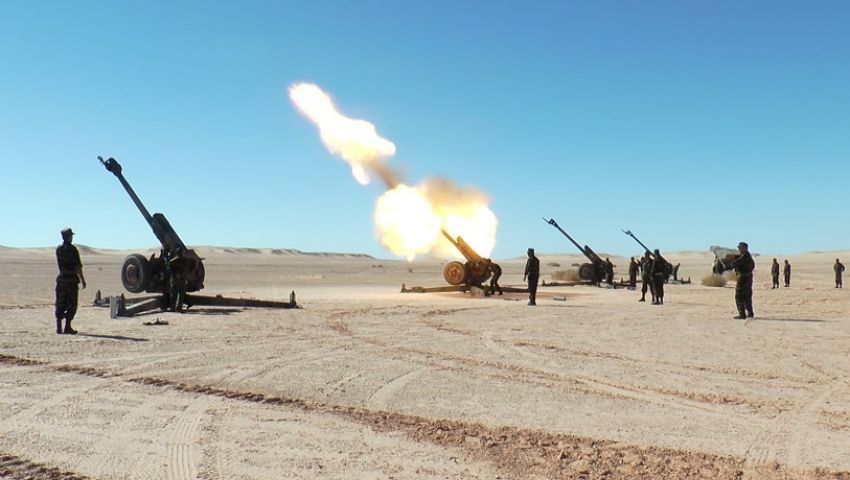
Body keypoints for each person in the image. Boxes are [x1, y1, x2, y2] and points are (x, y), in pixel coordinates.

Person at [55, 228, 86, 334]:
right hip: (71, 280)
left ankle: (59, 327)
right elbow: (77, 266)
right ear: (68, 237)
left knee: (60, 303)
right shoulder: (72, 250)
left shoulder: (59, 249)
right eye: (70, 236)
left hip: (61, 280)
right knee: (72, 304)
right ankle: (67, 326)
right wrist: (82, 279)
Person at [724, 241, 755, 319]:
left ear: (744, 248)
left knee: (739, 296)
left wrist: (727, 266)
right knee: (747, 296)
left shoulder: (744, 257)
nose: (739, 249)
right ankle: (750, 313)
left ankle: (742, 314)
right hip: (748, 278)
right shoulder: (747, 256)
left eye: (740, 248)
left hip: (743, 278)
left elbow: (736, 263)